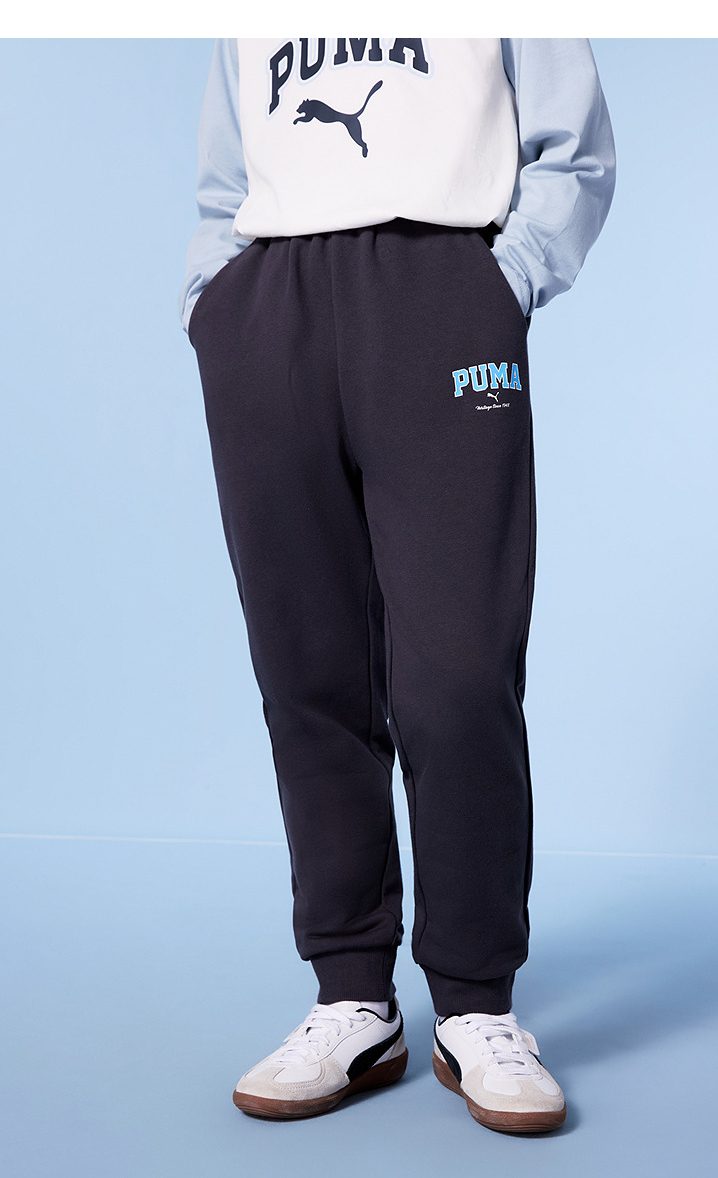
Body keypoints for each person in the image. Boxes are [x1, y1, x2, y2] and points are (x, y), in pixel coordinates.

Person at [179, 36, 615, 1134]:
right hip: (269, 310)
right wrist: (215, 301)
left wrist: (496, 283)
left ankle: (476, 1004)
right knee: (306, 667)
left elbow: (575, 151)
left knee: (460, 670)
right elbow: (227, 172)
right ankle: (352, 997)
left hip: (441, 293)